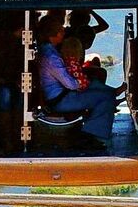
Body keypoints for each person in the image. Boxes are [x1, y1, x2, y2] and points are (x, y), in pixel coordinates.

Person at [37, 13, 119, 148]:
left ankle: (112, 94)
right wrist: (81, 82)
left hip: (62, 94)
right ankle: (92, 136)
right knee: (106, 97)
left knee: (95, 85)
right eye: (61, 30)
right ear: (55, 34)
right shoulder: (51, 57)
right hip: (60, 99)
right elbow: (71, 84)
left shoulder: (48, 50)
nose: (64, 31)